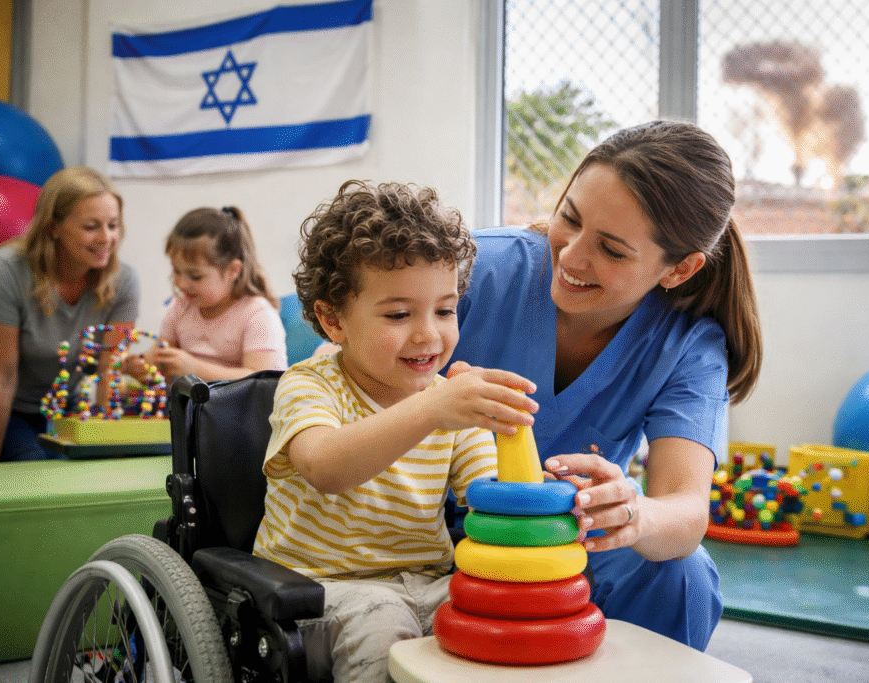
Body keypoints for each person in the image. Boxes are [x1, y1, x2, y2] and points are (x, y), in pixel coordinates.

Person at [449, 120, 764, 650]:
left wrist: (633, 512)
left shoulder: (686, 345)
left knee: (683, 577)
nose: (571, 256)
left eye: (613, 250)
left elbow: (685, 510)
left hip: (561, 539)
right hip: (416, 521)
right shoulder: (475, 271)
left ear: (679, 269)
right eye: (568, 218)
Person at [252, 180, 537, 683]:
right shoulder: (309, 386)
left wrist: (550, 499)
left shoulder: (450, 401)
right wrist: (431, 409)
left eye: (445, 310)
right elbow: (325, 468)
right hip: (319, 591)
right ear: (332, 319)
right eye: (399, 314)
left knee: (503, 616)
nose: (429, 334)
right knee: (384, 628)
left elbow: (486, 501)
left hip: (427, 583)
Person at [0, 166, 139, 464]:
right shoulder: (4, 271)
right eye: (91, 227)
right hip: (4, 408)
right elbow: (0, 380)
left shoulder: (123, 280)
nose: (106, 238)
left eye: (113, 225)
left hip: (65, 406)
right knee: (37, 469)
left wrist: (107, 457)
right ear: (53, 227)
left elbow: (108, 373)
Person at [135, 206, 288, 385]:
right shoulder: (179, 308)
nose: (182, 284)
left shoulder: (257, 314)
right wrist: (142, 367)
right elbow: (159, 367)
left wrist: (195, 369)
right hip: (195, 410)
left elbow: (262, 382)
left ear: (233, 270)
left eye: (195, 276)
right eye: (177, 271)